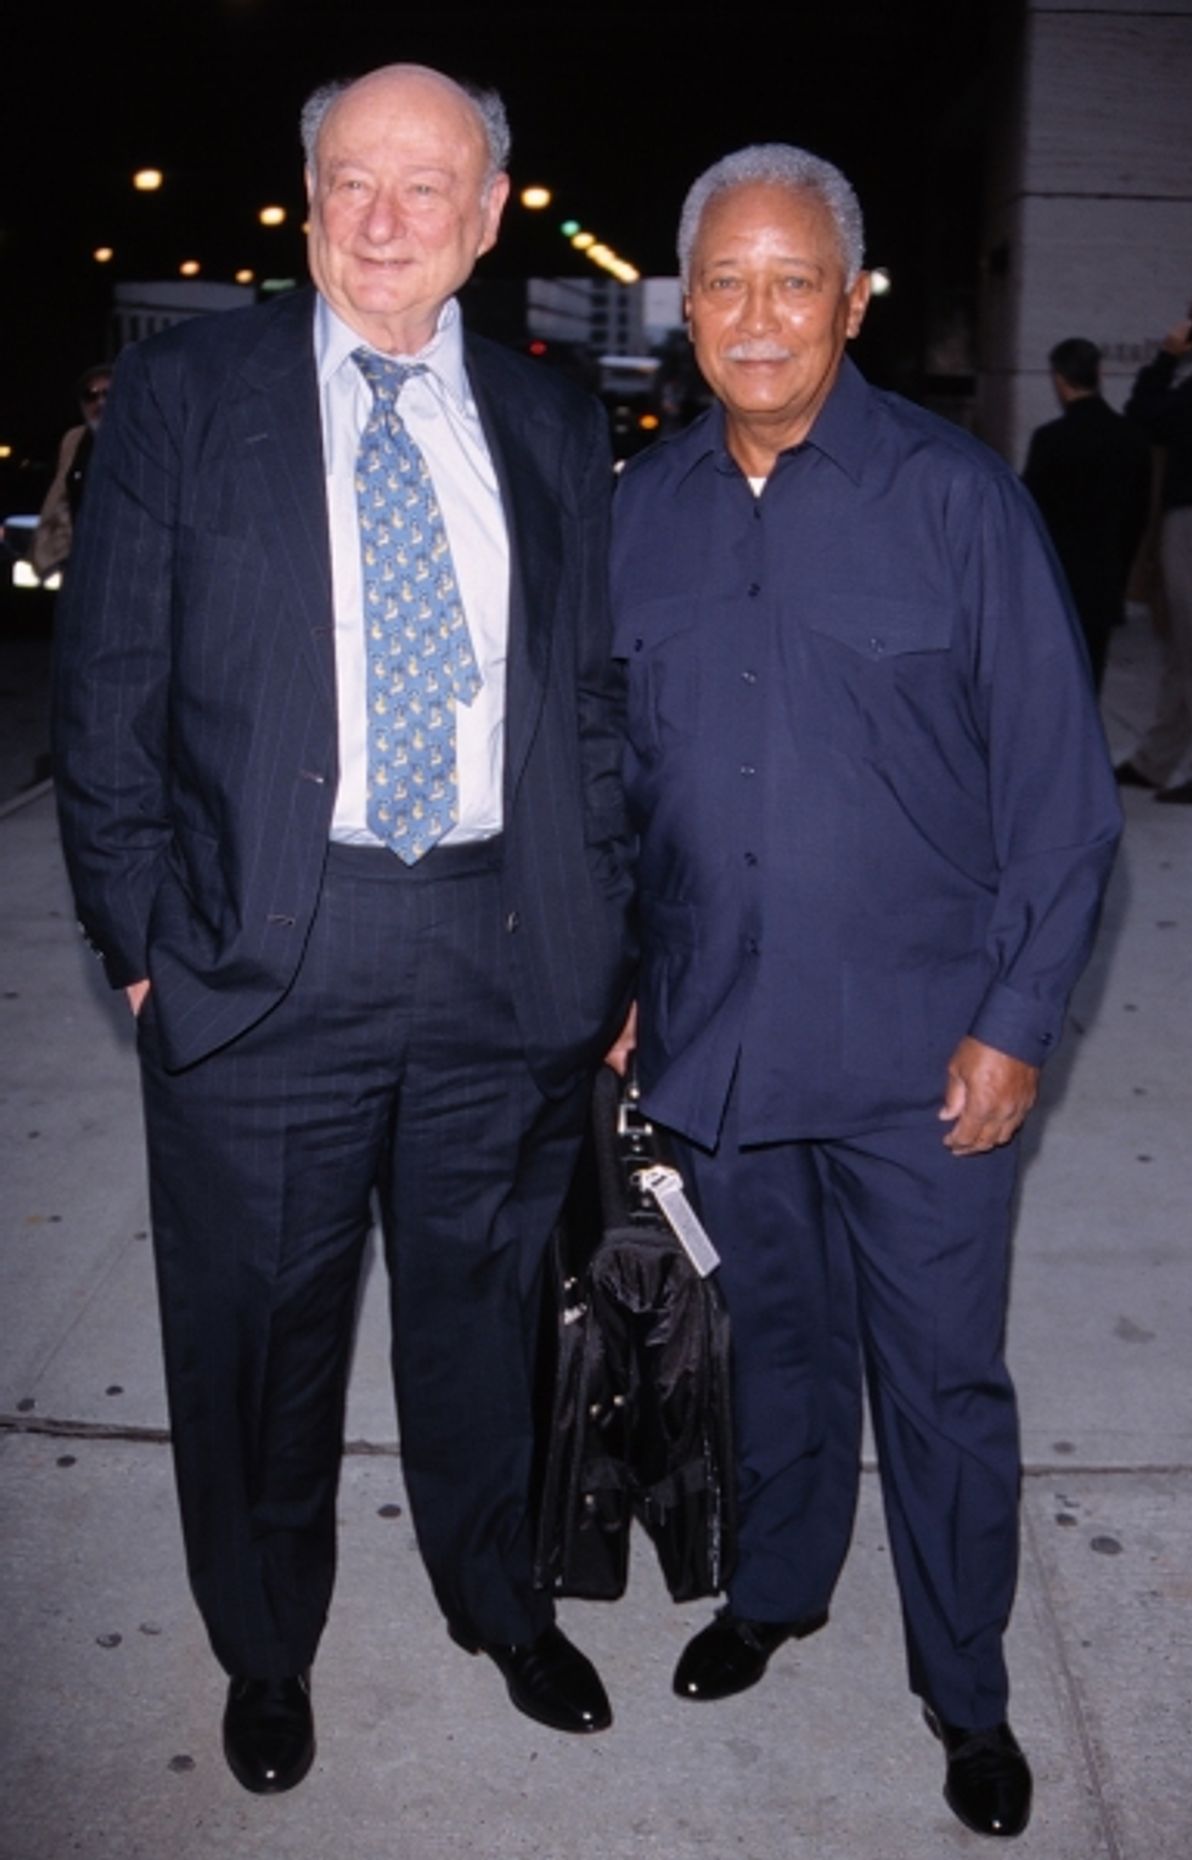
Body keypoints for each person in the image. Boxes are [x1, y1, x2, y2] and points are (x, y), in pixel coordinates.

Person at [52, 63, 634, 1793]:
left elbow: (587, 706)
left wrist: (604, 945)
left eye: (423, 186)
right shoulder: (185, 399)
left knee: (485, 1310)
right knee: (256, 1336)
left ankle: (496, 1594)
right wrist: (150, 948)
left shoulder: (548, 420)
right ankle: (264, 1643)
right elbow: (105, 705)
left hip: (493, 946)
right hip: (259, 960)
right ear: (310, 202)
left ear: (482, 215)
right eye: (350, 183)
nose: (383, 218)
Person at [607, 145, 1121, 1840]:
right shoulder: (641, 518)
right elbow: (617, 785)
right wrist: (623, 986)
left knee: (942, 1381)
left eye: (794, 282)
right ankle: (774, 1595)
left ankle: (964, 1696)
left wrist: (1020, 1020)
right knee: (781, 1359)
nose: (760, 318)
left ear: (853, 300)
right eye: (727, 286)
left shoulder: (956, 502)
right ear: (687, 310)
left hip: (926, 1061)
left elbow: (1061, 792)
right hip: (726, 1050)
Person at [1022, 336, 1150, 690]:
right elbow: (1137, 516)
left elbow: (1031, 515)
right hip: (1104, 576)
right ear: (1099, 373)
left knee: (1052, 681)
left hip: (1058, 578)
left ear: (1059, 380)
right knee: (1091, 675)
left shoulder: (1050, 439)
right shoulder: (1129, 438)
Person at [1115, 296, 1192, 802]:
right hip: (1187, 518)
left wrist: (1167, 356)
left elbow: (1143, 415)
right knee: (1180, 650)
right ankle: (1156, 760)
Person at [29, 363, 112, 581]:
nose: (100, 402)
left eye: (108, 393)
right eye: (90, 395)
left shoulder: (143, 440)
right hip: (81, 566)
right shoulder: (74, 441)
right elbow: (58, 501)